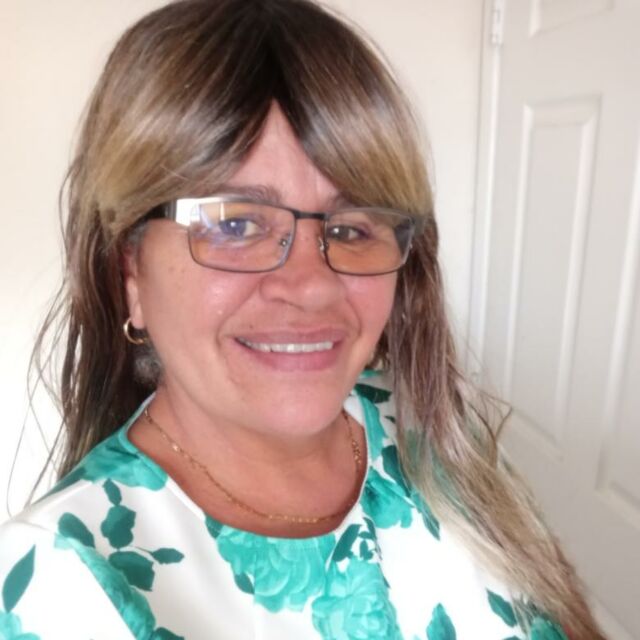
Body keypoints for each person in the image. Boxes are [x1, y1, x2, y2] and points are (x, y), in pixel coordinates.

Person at [0, 1, 604, 638]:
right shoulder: (61, 587)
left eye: (351, 227)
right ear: (131, 272)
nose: (312, 286)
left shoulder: (429, 429)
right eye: (235, 224)